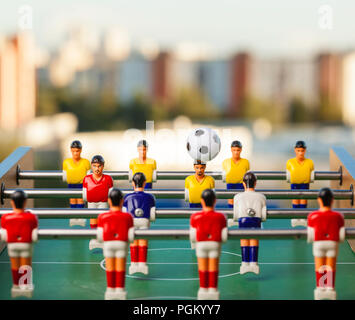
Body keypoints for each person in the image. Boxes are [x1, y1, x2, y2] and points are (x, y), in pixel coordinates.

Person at [307, 187, 345, 300]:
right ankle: (330, 288)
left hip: (318, 244)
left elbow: (310, 234)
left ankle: (320, 288)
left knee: (319, 267)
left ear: (319, 200)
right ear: (332, 200)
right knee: (330, 267)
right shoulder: (338, 216)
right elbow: (341, 234)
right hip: (332, 243)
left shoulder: (312, 216)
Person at [97, 188, 134, 300]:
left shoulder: (102, 217)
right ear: (122, 201)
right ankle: (120, 290)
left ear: (109, 201)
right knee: (120, 268)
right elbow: (131, 234)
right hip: (122, 244)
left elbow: (99, 235)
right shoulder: (128, 217)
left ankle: (110, 290)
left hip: (108, 244)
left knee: (110, 268)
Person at [190, 189, 227, 300]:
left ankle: (203, 289)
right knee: (213, 268)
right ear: (215, 201)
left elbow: (193, 234)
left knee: (202, 268)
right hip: (215, 244)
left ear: (202, 201)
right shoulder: (221, 217)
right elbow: (224, 234)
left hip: (201, 244)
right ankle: (213, 289)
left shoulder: (195, 217)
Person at [0, 190, 38, 298]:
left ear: (12, 202)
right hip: (26, 244)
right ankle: (25, 286)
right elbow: (34, 231)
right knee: (26, 265)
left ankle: (16, 285)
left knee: (15, 265)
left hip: (12, 245)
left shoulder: (5, 218)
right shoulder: (31, 217)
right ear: (25, 202)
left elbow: (4, 233)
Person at [232, 172, 267, 274]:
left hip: (242, 220)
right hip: (256, 220)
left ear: (243, 183)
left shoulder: (237, 197)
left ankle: (244, 264)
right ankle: (254, 264)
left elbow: (235, 214)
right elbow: (263, 214)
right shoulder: (261, 197)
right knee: (254, 240)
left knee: (244, 240)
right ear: (255, 183)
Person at [123, 172, 156, 275]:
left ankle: (133, 264)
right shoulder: (150, 197)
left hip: (131, 220)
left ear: (133, 183)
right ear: (145, 183)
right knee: (143, 241)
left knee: (133, 241)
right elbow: (152, 212)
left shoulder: (127, 197)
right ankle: (142, 264)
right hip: (144, 220)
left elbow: (124, 211)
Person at [83, 155, 113, 250]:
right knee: (93, 219)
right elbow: (84, 192)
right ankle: (94, 239)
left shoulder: (108, 179)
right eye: (95, 166)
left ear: (103, 166)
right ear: (91, 166)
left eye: (99, 166)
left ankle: (102, 239)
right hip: (91, 201)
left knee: (102, 220)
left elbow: (111, 193)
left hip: (103, 202)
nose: (97, 168)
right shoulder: (86, 179)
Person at [62, 140, 91, 227]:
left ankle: (80, 217)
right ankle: (73, 217)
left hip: (81, 184)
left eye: (77, 151)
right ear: (71, 150)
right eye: (74, 151)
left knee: (80, 200)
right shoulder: (66, 162)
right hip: (71, 183)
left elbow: (88, 174)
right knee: (72, 199)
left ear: (81, 150)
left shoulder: (85, 162)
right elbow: (64, 174)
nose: (75, 153)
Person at [286, 140, 314, 227]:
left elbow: (312, 172)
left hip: (305, 183)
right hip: (294, 183)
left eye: (302, 151)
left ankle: (303, 217)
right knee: (295, 198)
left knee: (303, 199)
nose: (300, 153)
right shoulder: (290, 162)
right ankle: (295, 217)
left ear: (305, 150)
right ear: (295, 150)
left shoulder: (310, 162)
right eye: (298, 151)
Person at [222, 140, 250, 208]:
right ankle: (231, 217)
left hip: (241, 184)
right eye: (234, 150)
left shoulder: (245, 162)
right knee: (231, 201)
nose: (236, 152)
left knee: (241, 202)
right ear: (231, 150)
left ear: (241, 150)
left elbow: (248, 174)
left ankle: (240, 217)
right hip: (230, 184)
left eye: (238, 150)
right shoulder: (226, 162)